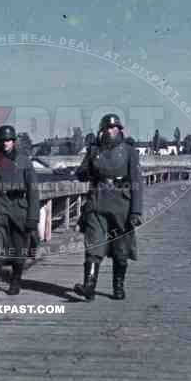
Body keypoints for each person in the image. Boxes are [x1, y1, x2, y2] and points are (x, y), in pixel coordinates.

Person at [73, 114, 143, 301]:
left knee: (121, 250)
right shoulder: (94, 150)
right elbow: (81, 174)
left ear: (120, 130)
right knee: (93, 245)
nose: (111, 131)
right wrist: (85, 170)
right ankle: (89, 287)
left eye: (114, 128)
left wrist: (136, 211)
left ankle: (118, 287)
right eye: (107, 128)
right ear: (102, 131)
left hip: (122, 206)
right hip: (98, 202)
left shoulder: (129, 152)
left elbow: (137, 181)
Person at [0, 125, 40, 299]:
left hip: (18, 208)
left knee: (19, 248)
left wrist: (33, 217)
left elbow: (33, 191)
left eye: (9, 140)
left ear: (14, 141)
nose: (6, 144)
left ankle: (16, 280)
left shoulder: (24, 161)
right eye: (2, 140)